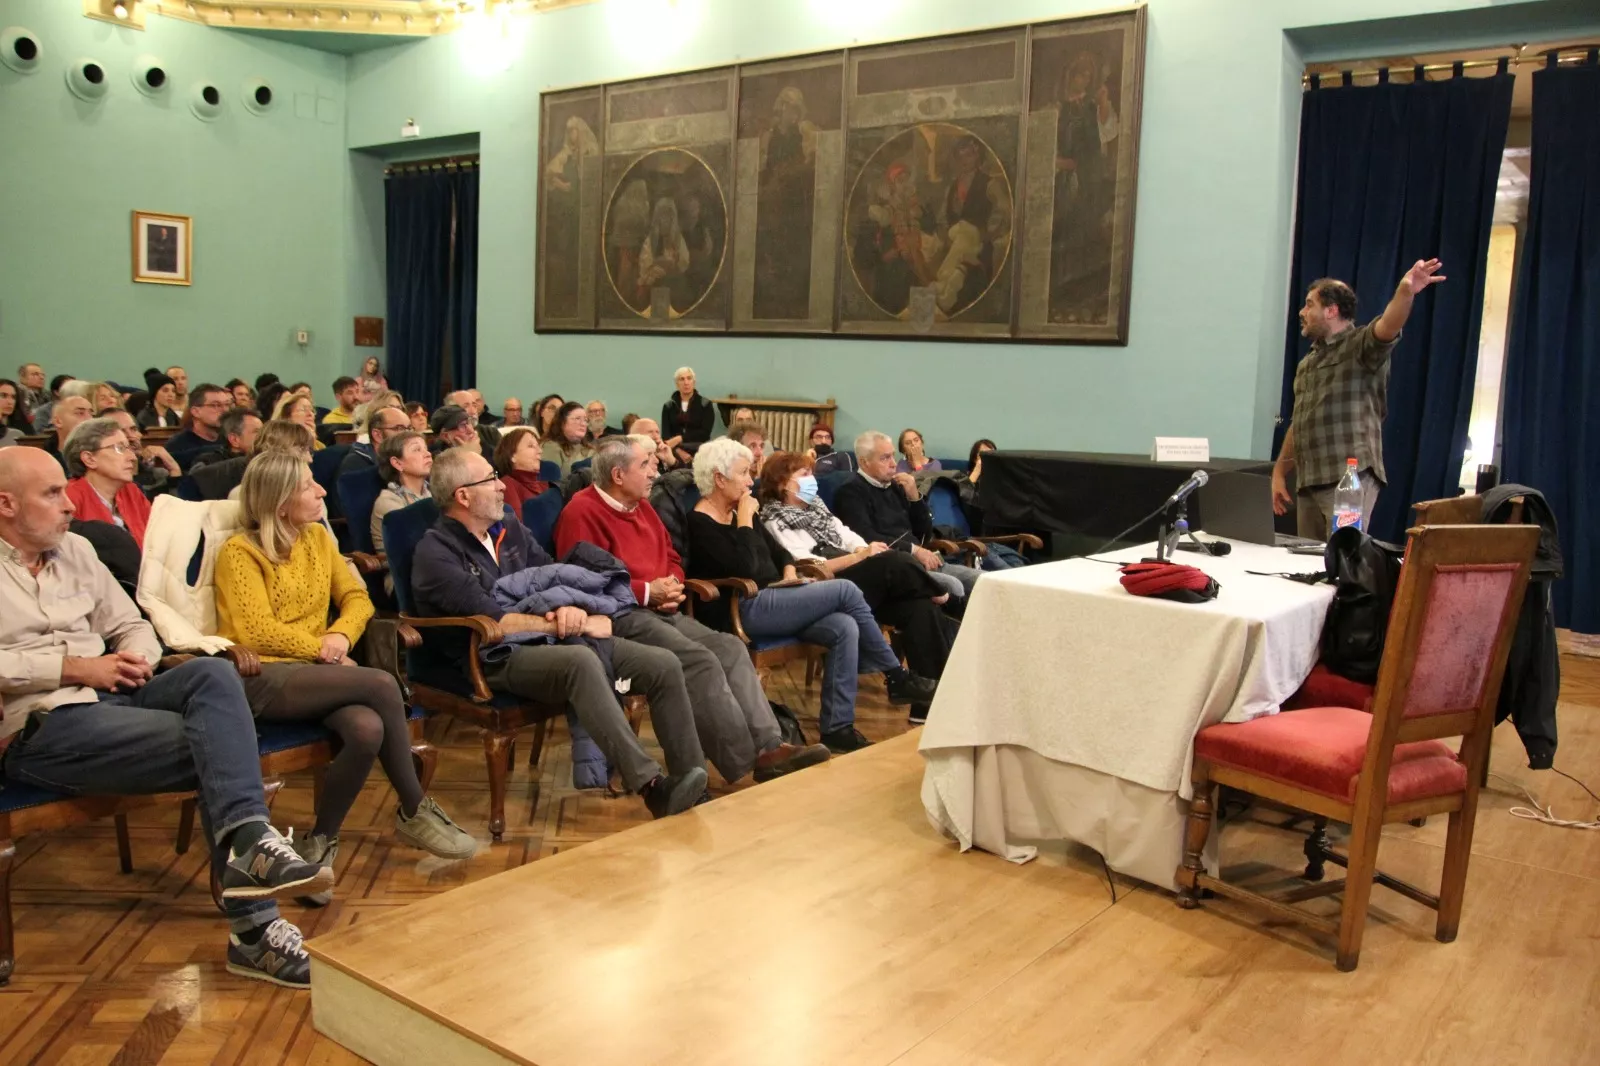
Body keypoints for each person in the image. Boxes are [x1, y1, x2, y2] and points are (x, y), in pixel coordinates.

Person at [0, 448, 327, 987]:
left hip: (121, 695)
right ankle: (255, 927)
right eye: (53, 494)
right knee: (222, 746)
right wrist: (77, 667)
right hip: (43, 722)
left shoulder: (77, 549)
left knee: (216, 676)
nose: (68, 506)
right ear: (7, 504)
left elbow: (133, 625)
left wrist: (134, 660)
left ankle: (249, 847)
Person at [217, 452, 476, 898]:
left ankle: (318, 844)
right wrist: (323, 649)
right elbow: (254, 631)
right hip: (259, 675)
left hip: (318, 670)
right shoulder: (240, 553)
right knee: (379, 682)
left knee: (366, 727)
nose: (321, 491)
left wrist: (337, 636)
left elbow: (358, 597)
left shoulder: (318, 538)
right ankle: (415, 809)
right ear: (279, 502)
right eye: (306, 486)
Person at [409, 449, 711, 816]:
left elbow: (552, 574)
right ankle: (651, 787)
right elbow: (496, 621)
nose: (502, 485)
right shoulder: (436, 552)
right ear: (463, 495)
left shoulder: (508, 527)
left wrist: (570, 605)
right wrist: (575, 621)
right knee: (581, 660)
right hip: (490, 657)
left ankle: (691, 784)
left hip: (552, 637)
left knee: (663, 664)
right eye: (490, 479)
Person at [555, 436, 833, 779]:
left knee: (729, 646)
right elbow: (582, 582)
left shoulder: (642, 506)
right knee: (698, 659)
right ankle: (746, 761)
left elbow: (672, 556)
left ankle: (770, 745)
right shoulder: (581, 512)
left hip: (662, 606)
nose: (653, 473)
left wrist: (672, 583)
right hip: (620, 616)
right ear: (617, 475)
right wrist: (646, 592)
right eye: (644, 465)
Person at [687, 439, 936, 750]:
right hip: (741, 608)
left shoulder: (740, 511)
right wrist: (745, 521)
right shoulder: (702, 521)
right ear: (719, 478)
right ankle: (895, 675)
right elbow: (746, 568)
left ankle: (838, 728)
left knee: (843, 626)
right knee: (845, 588)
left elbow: (781, 556)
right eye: (743, 474)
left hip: (776, 597)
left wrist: (790, 574)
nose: (751, 481)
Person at [759, 451, 956, 704]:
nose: (812, 480)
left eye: (812, 473)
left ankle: (933, 703)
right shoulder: (774, 520)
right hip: (827, 584)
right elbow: (806, 564)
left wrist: (864, 550)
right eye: (804, 474)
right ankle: (942, 593)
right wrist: (860, 557)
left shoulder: (817, 508)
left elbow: (848, 536)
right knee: (896, 562)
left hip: (858, 575)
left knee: (920, 607)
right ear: (782, 483)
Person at [1273, 262, 1446, 539]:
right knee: (1306, 567)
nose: (1301, 312)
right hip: (1309, 483)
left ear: (1331, 310)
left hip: (1347, 481)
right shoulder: (1307, 363)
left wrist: (1406, 291)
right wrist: (1280, 471)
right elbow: (1301, 421)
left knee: (1344, 561)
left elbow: (1389, 324)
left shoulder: (1360, 346)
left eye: (1309, 305)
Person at [833, 431, 982, 601]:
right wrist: (914, 550)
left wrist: (915, 497)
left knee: (985, 580)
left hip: (925, 561)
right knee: (954, 586)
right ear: (864, 462)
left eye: (893, 457)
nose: (893, 464)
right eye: (885, 458)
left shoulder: (895, 486)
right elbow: (867, 538)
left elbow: (923, 534)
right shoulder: (850, 492)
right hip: (898, 568)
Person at [62, 416, 152, 547]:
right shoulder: (69, 499)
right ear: (89, 459)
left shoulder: (131, 491)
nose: (132, 457)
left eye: (129, 448)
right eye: (120, 448)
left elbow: (154, 542)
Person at [371, 430, 431, 556]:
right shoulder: (388, 502)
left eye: (426, 448)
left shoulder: (434, 492)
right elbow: (419, 544)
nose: (428, 454)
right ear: (397, 463)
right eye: (417, 450)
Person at [101, 407, 181, 492]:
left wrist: (174, 470)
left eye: (133, 429)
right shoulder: (104, 482)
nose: (131, 437)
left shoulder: (159, 476)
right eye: (121, 431)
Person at [164, 383, 232, 470]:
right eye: (216, 405)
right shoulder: (177, 446)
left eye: (227, 405)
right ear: (195, 411)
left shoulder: (231, 440)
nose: (225, 410)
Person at [659, 367, 714, 466]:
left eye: (689, 378)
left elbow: (705, 434)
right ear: (677, 384)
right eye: (682, 379)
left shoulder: (705, 404)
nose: (686, 382)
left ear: (694, 382)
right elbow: (666, 437)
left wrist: (680, 438)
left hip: (700, 452)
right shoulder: (668, 406)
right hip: (675, 453)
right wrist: (679, 451)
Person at [493, 426, 552, 515]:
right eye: (531, 446)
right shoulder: (507, 486)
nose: (539, 451)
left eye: (538, 446)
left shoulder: (545, 484)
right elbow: (517, 526)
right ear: (512, 456)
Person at [339, 404, 409, 478]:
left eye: (410, 428)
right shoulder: (356, 465)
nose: (408, 434)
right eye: (399, 428)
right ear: (378, 435)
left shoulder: (406, 460)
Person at [42, 393, 94, 473]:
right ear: (58, 421)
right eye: (80, 413)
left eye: (91, 413)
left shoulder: (101, 456)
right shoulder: (44, 460)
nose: (89, 419)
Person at [541, 401, 594, 477]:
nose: (583, 424)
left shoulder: (591, 450)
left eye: (585, 420)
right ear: (562, 422)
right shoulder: (550, 447)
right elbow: (550, 483)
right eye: (577, 419)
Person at [961, 438, 997, 534]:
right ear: (974, 458)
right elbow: (965, 496)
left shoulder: (1000, 476)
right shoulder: (965, 475)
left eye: (991, 454)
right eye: (983, 454)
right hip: (976, 517)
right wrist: (977, 470)